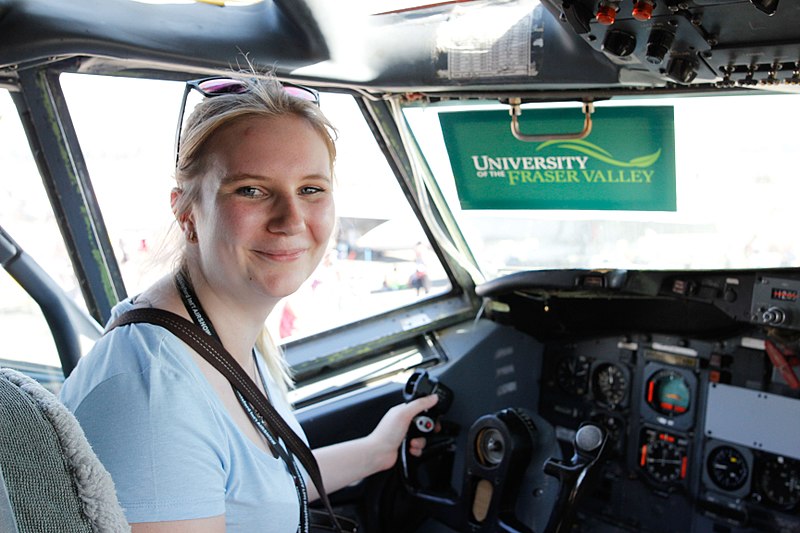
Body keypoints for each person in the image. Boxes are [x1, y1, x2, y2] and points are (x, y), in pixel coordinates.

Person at [59, 73, 438, 532]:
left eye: (311, 189)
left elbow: (254, 489)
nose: (291, 220)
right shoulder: (154, 392)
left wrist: (378, 451)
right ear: (187, 213)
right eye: (252, 190)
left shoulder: (220, 334)